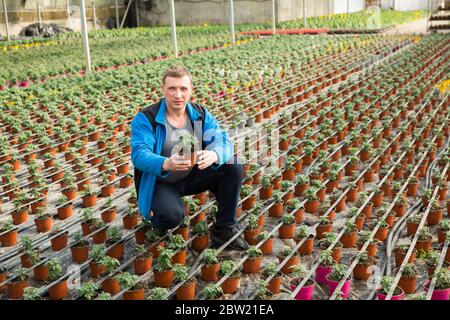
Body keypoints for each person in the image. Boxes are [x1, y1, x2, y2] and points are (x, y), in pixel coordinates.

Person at [131, 66, 248, 251]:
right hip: (162, 181)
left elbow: (223, 140)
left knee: (233, 165)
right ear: (163, 89)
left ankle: (224, 229)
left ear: (190, 90)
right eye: (172, 88)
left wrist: (214, 154)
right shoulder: (148, 118)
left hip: (193, 175)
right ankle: (158, 222)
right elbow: (139, 154)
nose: (178, 94)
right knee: (171, 216)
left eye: (183, 89)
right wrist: (166, 163)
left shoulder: (199, 114)